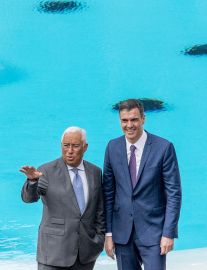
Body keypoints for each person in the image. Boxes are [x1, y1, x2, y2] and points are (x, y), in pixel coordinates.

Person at [102, 99, 182, 270]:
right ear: (120, 120)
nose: (129, 125)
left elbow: (174, 193)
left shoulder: (164, 147)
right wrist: (108, 234)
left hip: (154, 233)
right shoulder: (112, 147)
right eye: (124, 120)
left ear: (143, 118)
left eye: (134, 120)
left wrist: (169, 233)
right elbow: (108, 193)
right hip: (122, 233)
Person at [20, 127, 105, 270]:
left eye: (75, 146)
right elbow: (29, 199)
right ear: (61, 146)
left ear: (85, 148)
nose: (69, 150)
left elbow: (99, 210)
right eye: (66, 145)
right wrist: (32, 182)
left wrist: (99, 239)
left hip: (86, 254)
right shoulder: (46, 171)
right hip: (53, 253)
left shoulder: (95, 172)